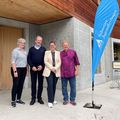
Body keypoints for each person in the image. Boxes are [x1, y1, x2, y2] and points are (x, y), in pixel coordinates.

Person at [27, 35, 46, 105]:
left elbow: (45, 59)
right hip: (33, 69)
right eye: (38, 40)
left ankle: (39, 98)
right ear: (35, 41)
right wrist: (32, 66)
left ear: (41, 41)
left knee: (40, 84)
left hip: (41, 69)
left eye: (40, 40)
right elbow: (28, 59)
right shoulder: (31, 49)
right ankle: (33, 98)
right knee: (33, 84)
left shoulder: (44, 49)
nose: (39, 41)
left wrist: (42, 66)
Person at [60, 40, 80, 106]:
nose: (65, 46)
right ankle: (65, 99)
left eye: (66, 45)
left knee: (73, 87)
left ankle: (72, 100)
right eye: (64, 45)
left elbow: (77, 62)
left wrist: (77, 70)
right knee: (64, 87)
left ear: (68, 45)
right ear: (62, 46)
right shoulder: (60, 53)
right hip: (63, 73)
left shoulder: (73, 52)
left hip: (72, 73)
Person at [43, 41, 61, 108]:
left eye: (53, 45)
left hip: (56, 71)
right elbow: (45, 61)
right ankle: (50, 101)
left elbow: (59, 62)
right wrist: (52, 68)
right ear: (49, 46)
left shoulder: (58, 53)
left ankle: (52, 99)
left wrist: (55, 68)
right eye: (50, 45)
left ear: (55, 46)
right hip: (49, 71)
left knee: (54, 85)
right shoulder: (46, 52)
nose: (52, 46)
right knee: (50, 85)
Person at [11, 38, 27, 107]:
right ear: (18, 43)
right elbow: (13, 61)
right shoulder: (15, 51)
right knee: (15, 84)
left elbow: (26, 62)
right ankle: (13, 100)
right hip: (16, 69)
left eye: (23, 43)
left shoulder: (25, 51)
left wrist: (27, 71)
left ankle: (18, 99)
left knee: (21, 84)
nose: (22, 44)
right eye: (21, 42)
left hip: (24, 69)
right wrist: (15, 71)